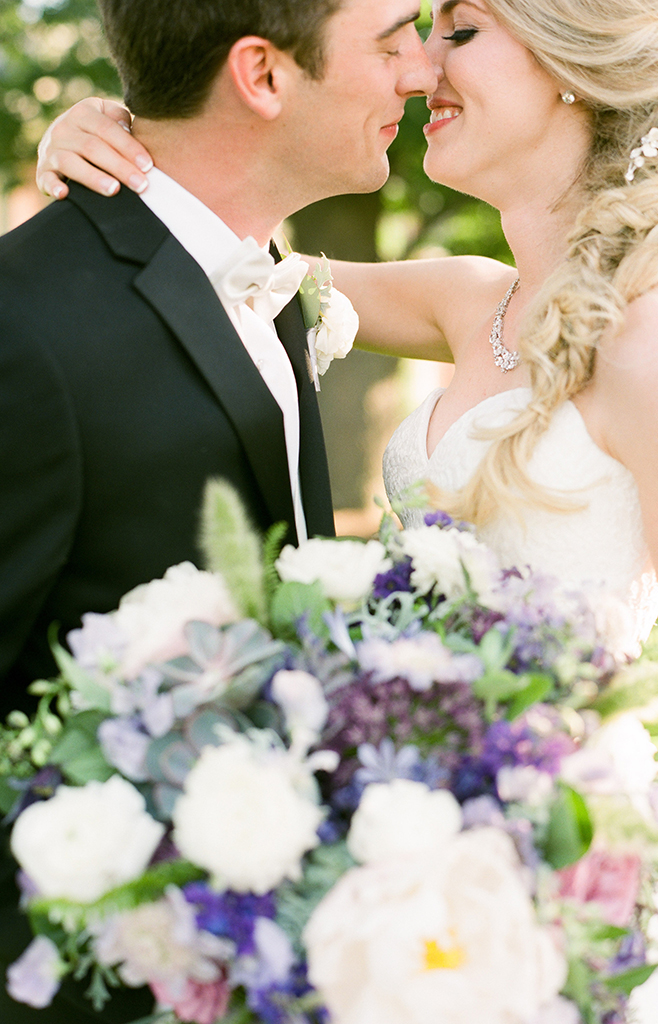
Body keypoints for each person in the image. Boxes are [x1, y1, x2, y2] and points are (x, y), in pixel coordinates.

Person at [30, 0, 658, 1021]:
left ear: (568, 68)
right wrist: (109, 141)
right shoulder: (472, 301)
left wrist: (548, 913)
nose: (421, 68)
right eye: (415, 35)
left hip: (552, 904)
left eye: (460, 33)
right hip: (395, 864)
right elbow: (217, 259)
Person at [0, 1, 437, 1021]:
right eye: (390, 40)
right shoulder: (27, 328)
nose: (417, 72)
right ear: (263, 75)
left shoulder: (268, 280)